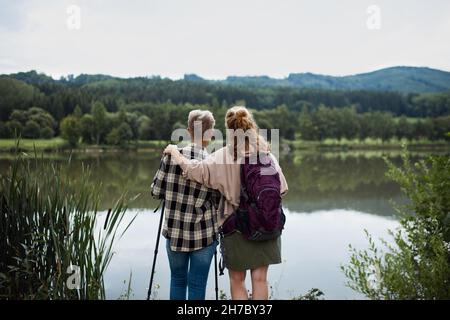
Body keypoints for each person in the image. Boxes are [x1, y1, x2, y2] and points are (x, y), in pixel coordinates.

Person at [163, 106, 288, 300]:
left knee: (237, 280)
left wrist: (175, 152)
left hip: (235, 227)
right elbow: (281, 189)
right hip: (266, 224)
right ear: (251, 126)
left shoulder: (222, 156)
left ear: (229, 130)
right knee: (260, 279)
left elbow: (194, 171)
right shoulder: (266, 155)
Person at [151, 109, 220, 300]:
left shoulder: (172, 155)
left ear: (189, 130)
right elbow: (219, 201)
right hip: (204, 235)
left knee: (177, 280)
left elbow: (156, 192)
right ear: (211, 133)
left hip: (174, 232)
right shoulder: (213, 162)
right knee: (197, 285)